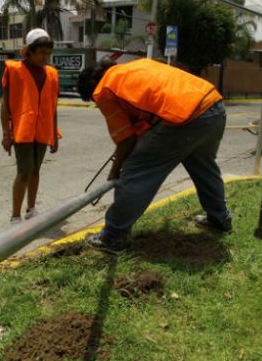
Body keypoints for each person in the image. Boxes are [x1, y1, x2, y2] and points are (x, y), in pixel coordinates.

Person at [76, 58, 232, 255]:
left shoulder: (104, 89)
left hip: (186, 118)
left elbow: (125, 141)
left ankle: (113, 236)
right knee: (203, 167)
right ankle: (220, 219)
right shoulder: (134, 67)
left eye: (92, 101)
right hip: (213, 105)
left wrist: (115, 171)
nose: (96, 104)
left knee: (137, 171)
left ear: (92, 87)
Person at [0, 28, 60, 225]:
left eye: (48, 53)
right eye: (42, 52)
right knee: (24, 172)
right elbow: (5, 104)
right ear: (30, 52)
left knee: (35, 171)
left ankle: (31, 209)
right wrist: (6, 134)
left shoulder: (51, 74)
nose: (45, 57)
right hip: (22, 130)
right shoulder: (14, 70)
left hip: (42, 129)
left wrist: (53, 133)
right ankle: (15, 215)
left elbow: (53, 107)